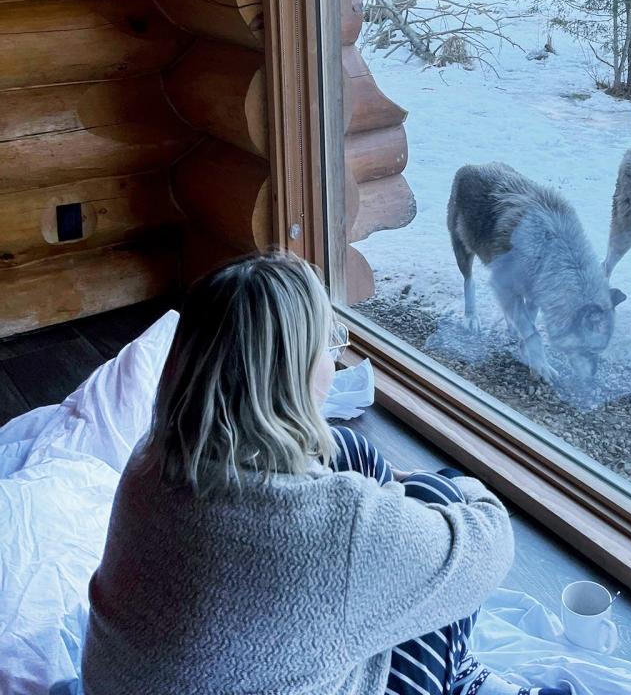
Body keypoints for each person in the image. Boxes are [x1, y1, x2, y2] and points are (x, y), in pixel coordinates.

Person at [80, 251, 568, 695]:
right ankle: (459, 680)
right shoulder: (334, 524)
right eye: (328, 344)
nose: (335, 361)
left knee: (348, 450)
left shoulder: (151, 455)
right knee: (438, 497)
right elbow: (489, 544)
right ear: (290, 370)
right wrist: (445, 489)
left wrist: (384, 495)